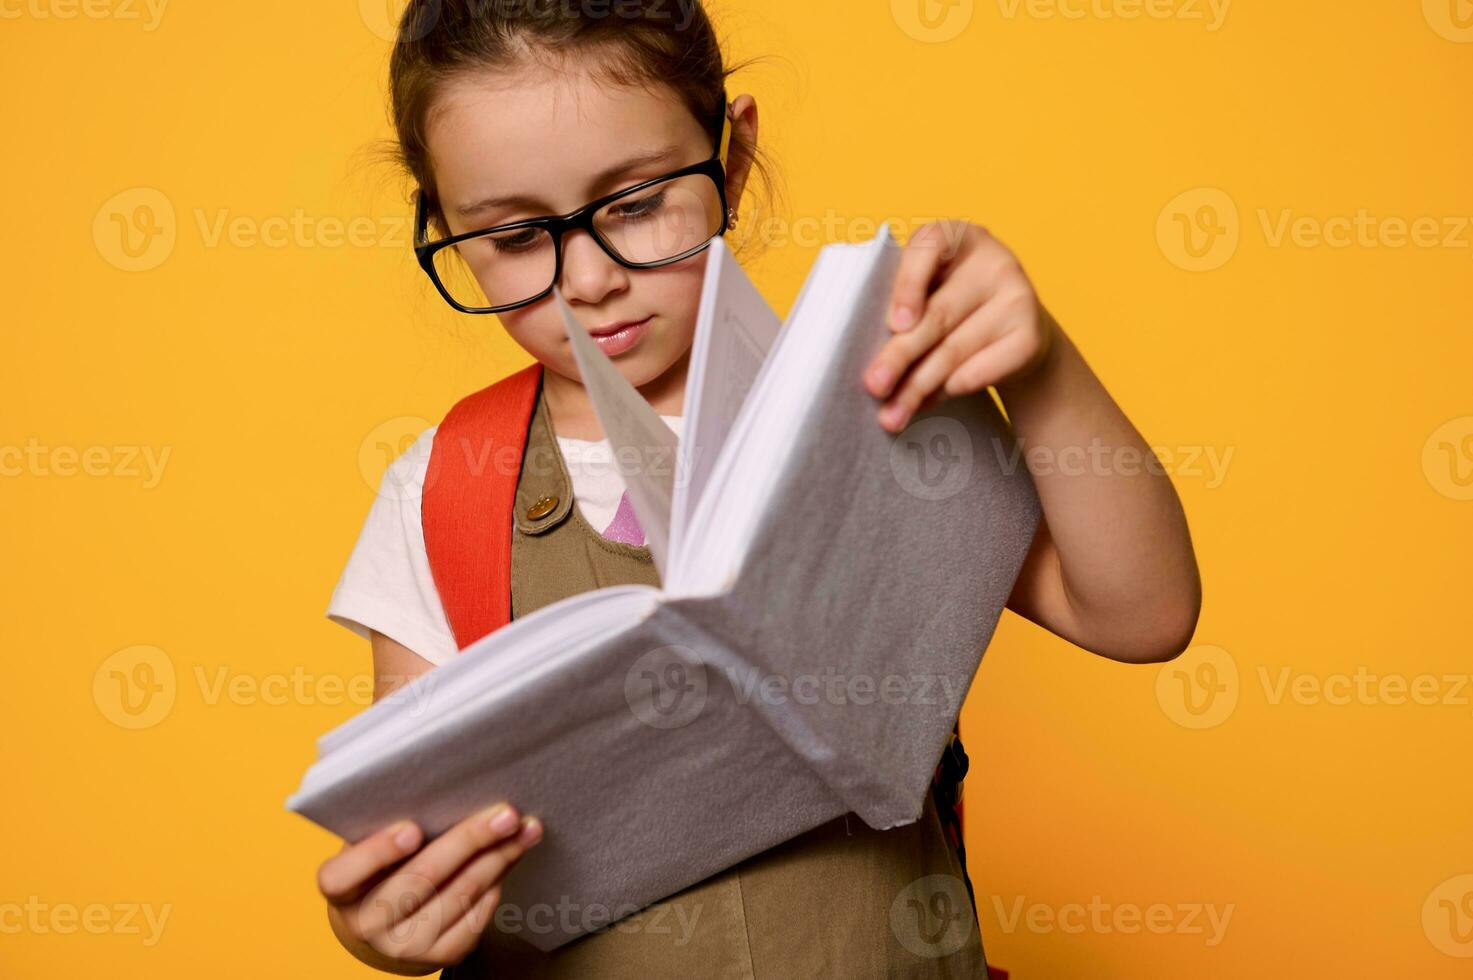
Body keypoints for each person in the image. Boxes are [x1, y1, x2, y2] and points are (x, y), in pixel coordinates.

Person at [314, 2, 1202, 976]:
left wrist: (1040, 367)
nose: (589, 281)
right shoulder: (440, 491)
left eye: (636, 203)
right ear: (444, 223)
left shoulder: (878, 384)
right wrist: (379, 927)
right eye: (518, 236)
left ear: (729, 157)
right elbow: (404, 832)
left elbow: (1141, 612)